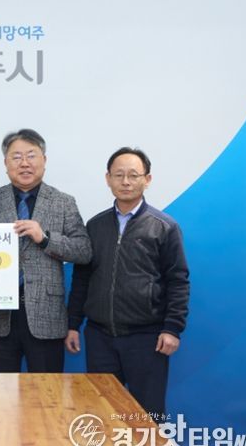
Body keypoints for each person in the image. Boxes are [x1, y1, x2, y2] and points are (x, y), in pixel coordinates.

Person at [66, 147, 190, 421]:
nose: (125, 182)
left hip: (147, 339)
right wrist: (73, 324)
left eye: (133, 175)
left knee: (147, 417)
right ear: (107, 178)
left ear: (147, 179)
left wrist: (172, 329)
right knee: (101, 414)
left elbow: (178, 281)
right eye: (118, 175)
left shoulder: (164, 227)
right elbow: (82, 278)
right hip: (99, 337)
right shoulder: (95, 226)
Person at [0, 129, 91, 373]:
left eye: (31, 155)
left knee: (47, 391)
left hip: (46, 315)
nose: (24, 163)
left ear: (44, 160)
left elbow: (83, 251)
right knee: (1, 391)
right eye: (16, 157)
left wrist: (45, 238)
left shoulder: (63, 202)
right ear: (6, 163)